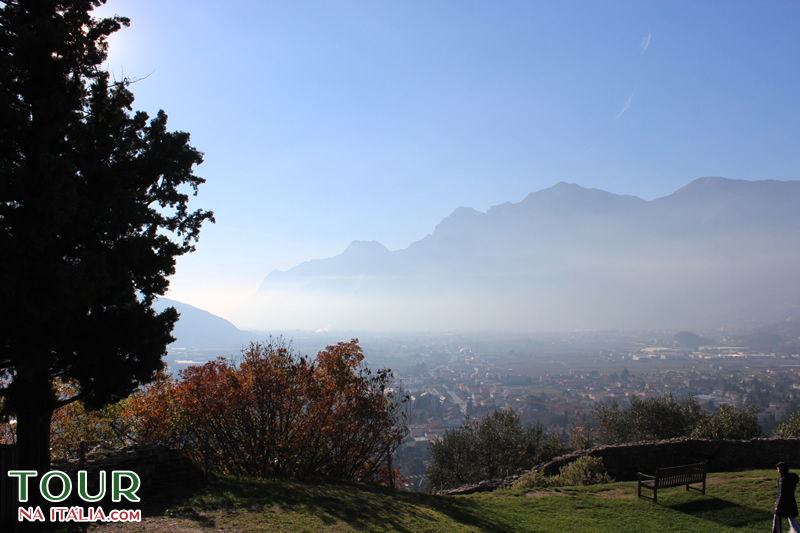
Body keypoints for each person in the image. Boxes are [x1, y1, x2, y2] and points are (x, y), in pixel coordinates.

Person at [774, 461, 800, 533]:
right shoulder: (792, 477)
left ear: (781, 469)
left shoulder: (783, 480)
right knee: (792, 521)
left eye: (778, 468)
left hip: (783, 504)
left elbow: (781, 494)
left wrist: (777, 506)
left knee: (777, 519)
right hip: (791, 502)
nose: (777, 469)